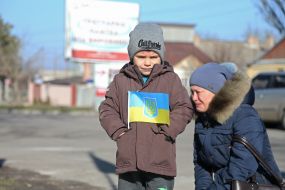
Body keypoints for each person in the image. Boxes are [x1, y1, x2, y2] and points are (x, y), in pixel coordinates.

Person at [99, 23, 193, 190]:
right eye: (141, 57)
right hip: (129, 164)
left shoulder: (170, 80)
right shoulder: (121, 81)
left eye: (153, 57)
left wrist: (168, 129)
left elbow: (184, 108)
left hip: (160, 163)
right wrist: (119, 131)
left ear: (161, 56)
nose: (148, 63)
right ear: (131, 56)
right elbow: (107, 109)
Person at [189, 62, 283, 189]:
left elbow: (243, 165)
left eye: (198, 92)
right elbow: (201, 163)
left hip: (253, 185)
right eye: (192, 92)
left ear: (215, 91)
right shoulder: (202, 119)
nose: (194, 98)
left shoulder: (245, 115)